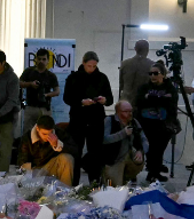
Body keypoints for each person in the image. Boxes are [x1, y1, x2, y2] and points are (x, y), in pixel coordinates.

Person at [62, 50, 113, 184]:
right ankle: (74, 183)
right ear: (83, 63)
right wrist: (81, 102)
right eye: (89, 66)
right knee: (76, 152)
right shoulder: (73, 78)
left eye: (94, 66)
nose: (91, 69)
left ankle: (94, 183)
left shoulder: (102, 78)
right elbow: (67, 98)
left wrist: (104, 100)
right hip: (78, 119)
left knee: (95, 153)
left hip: (96, 120)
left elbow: (111, 99)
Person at [134, 61, 178, 181]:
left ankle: (155, 172)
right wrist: (161, 98)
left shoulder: (170, 88)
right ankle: (152, 172)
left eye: (155, 73)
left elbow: (171, 103)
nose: (152, 76)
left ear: (163, 75)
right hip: (146, 123)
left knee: (159, 150)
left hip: (163, 124)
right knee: (150, 149)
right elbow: (139, 101)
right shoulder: (144, 87)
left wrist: (151, 98)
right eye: (150, 73)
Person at [101, 101, 147, 186]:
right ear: (118, 111)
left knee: (139, 160)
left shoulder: (134, 122)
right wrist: (123, 133)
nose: (129, 114)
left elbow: (144, 139)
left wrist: (141, 151)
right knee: (116, 187)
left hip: (128, 155)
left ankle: (127, 176)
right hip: (114, 159)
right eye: (126, 111)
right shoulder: (110, 120)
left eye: (130, 111)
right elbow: (105, 139)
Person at [20, 114, 74, 185]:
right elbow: (22, 161)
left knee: (67, 158)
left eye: (50, 133)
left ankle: (65, 191)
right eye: (44, 134)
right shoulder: (27, 138)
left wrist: (58, 145)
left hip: (51, 167)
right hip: (35, 170)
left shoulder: (59, 133)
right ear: (37, 129)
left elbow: (75, 150)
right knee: (25, 167)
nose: (47, 137)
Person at [19, 48, 59, 135]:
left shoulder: (51, 75)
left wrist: (47, 95)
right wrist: (30, 84)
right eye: (39, 59)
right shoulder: (29, 71)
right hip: (30, 106)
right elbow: (19, 83)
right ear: (36, 59)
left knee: (47, 132)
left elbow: (57, 91)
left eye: (44, 59)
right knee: (28, 133)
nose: (41, 61)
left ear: (48, 60)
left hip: (45, 107)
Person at [118, 39, 153, 105]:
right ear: (147, 50)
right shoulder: (152, 65)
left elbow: (121, 84)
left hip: (126, 100)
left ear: (135, 49)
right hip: (143, 101)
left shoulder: (125, 63)